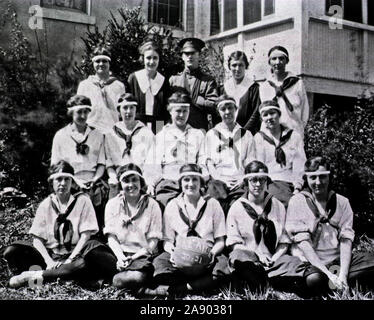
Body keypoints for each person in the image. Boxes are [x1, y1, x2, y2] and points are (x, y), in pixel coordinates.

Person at [3, 161, 116, 288]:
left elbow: (85, 236)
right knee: (12, 250)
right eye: (59, 179)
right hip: (52, 254)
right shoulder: (46, 204)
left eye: (67, 179)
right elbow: (37, 239)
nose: (63, 183)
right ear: (52, 182)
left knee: (88, 260)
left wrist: (70, 259)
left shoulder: (83, 201)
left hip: (76, 253)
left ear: (72, 182)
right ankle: (62, 275)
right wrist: (49, 261)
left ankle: (34, 276)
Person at [286, 156, 374, 296]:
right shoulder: (296, 202)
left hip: (337, 262)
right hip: (312, 264)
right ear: (306, 179)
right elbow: (303, 244)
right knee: (314, 279)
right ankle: (333, 283)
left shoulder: (342, 202)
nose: (318, 182)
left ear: (329, 177)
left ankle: (339, 282)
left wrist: (343, 275)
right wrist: (329, 275)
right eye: (313, 178)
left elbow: (346, 241)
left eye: (322, 177)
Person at [149, 164, 227, 296]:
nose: (190, 184)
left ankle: (180, 289)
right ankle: (197, 285)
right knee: (159, 266)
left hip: (206, 255)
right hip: (181, 256)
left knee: (224, 269)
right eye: (186, 179)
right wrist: (172, 252)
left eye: (195, 179)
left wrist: (212, 254)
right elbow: (167, 240)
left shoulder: (213, 204)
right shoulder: (173, 205)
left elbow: (220, 240)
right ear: (180, 183)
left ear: (201, 182)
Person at [226, 161, 301, 292]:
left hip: (273, 261)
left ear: (267, 181)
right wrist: (257, 255)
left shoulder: (277, 206)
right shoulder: (236, 207)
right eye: (253, 180)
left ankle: (260, 281)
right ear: (246, 182)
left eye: (262, 180)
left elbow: (284, 242)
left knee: (296, 264)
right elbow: (234, 243)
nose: (258, 184)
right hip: (249, 258)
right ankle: (266, 281)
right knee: (237, 257)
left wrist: (274, 258)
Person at [51, 95, 108, 237]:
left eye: (85, 112)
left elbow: (101, 164)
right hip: (70, 181)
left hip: (94, 181)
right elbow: (56, 167)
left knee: (99, 200)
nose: (82, 116)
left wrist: (94, 180)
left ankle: (96, 239)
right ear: (71, 113)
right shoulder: (61, 135)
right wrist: (75, 181)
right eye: (79, 112)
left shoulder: (97, 135)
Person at [103, 163, 162, 291]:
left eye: (134, 179)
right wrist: (120, 257)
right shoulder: (112, 204)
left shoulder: (152, 205)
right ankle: (121, 277)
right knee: (92, 250)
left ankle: (115, 280)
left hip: (141, 255)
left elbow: (153, 242)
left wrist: (133, 258)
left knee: (137, 277)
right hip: (117, 254)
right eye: (126, 181)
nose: (131, 185)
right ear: (120, 184)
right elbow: (111, 237)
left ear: (141, 182)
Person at [144, 89, 206, 208]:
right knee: (164, 204)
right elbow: (153, 164)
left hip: (192, 181)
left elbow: (202, 160)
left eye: (185, 111)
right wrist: (151, 183)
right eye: (178, 111)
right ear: (170, 111)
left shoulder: (197, 134)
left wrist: (202, 179)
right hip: (169, 181)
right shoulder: (161, 136)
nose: (182, 115)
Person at [204, 95, 256, 213]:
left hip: (240, 181)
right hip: (218, 181)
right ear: (218, 112)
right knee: (213, 208)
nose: (227, 112)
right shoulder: (211, 134)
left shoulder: (246, 135)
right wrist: (220, 179)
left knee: (240, 208)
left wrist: (242, 180)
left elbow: (250, 163)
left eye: (230, 108)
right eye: (223, 109)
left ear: (236, 109)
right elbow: (209, 163)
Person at [254, 100, 306, 207]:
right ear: (261, 119)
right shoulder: (259, 138)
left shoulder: (293, 136)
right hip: (269, 183)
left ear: (279, 114)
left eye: (272, 113)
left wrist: (297, 188)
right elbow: (259, 167)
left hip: (290, 182)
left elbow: (299, 165)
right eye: (265, 115)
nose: (269, 117)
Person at [105, 93, 155, 198]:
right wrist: (114, 178)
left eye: (131, 108)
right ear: (119, 111)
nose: (128, 112)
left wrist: (147, 181)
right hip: (119, 179)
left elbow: (151, 162)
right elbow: (109, 162)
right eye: (125, 108)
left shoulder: (146, 133)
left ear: (136, 110)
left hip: (140, 178)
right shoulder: (111, 134)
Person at [259, 46, 309, 139]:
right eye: (274, 59)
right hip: (271, 136)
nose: (278, 62)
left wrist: (298, 130)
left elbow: (305, 111)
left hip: (293, 135)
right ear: (269, 62)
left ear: (287, 61)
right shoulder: (265, 86)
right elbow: (263, 113)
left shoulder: (297, 83)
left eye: (281, 58)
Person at [169, 37, 219, 131]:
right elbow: (166, 107)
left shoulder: (208, 81)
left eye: (193, 53)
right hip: (177, 129)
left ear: (199, 55)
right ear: (182, 56)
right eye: (186, 53)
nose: (190, 56)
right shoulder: (173, 80)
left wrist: (198, 100)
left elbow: (214, 104)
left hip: (199, 129)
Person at [77, 46, 126, 133]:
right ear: (93, 63)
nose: (101, 64)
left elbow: (122, 113)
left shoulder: (119, 86)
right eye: (97, 61)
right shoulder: (84, 85)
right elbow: (79, 112)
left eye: (104, 61)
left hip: (112, 131)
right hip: (91, 131)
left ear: (109, 63)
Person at [127, 40, 169, 133]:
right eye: (148, 58)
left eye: (155, 58)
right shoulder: (134, 78)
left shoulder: (163, 81)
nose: (152, 61)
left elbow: (165, 112)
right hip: (137, 125)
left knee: (157, 146)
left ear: (159, 59)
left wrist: (160, 134)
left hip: (158, 126)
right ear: (143, 59)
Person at [222, 51, 261, 135]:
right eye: (234, 65)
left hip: (248, 133)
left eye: (241, 65)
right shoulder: (223, 88)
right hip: (227, 134)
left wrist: (243, 132)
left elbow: (256, 113)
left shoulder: (253, 87)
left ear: (246, 66)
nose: (237, 69)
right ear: (229, 66)